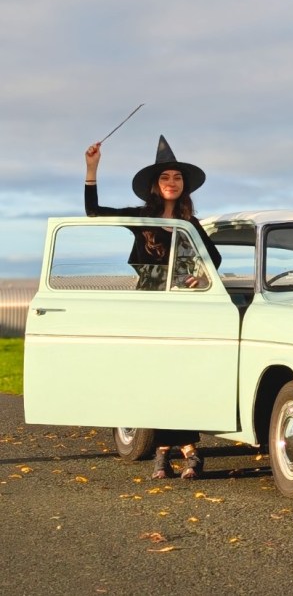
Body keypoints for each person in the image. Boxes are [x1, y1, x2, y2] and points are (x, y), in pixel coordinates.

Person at [84, 135, 222, 480]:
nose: (172, 183)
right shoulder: (141, 218)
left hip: (183, 308)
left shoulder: (191, 225)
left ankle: (168, 452)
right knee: (153, 376)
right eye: (165, 178)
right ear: (154, 186)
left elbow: (214, 259)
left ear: (184, 186)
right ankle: (183, 450)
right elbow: (93, 212)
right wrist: (92, 169)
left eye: (177, 178)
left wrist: (197, 277)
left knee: (181, 375)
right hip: (148, 305)